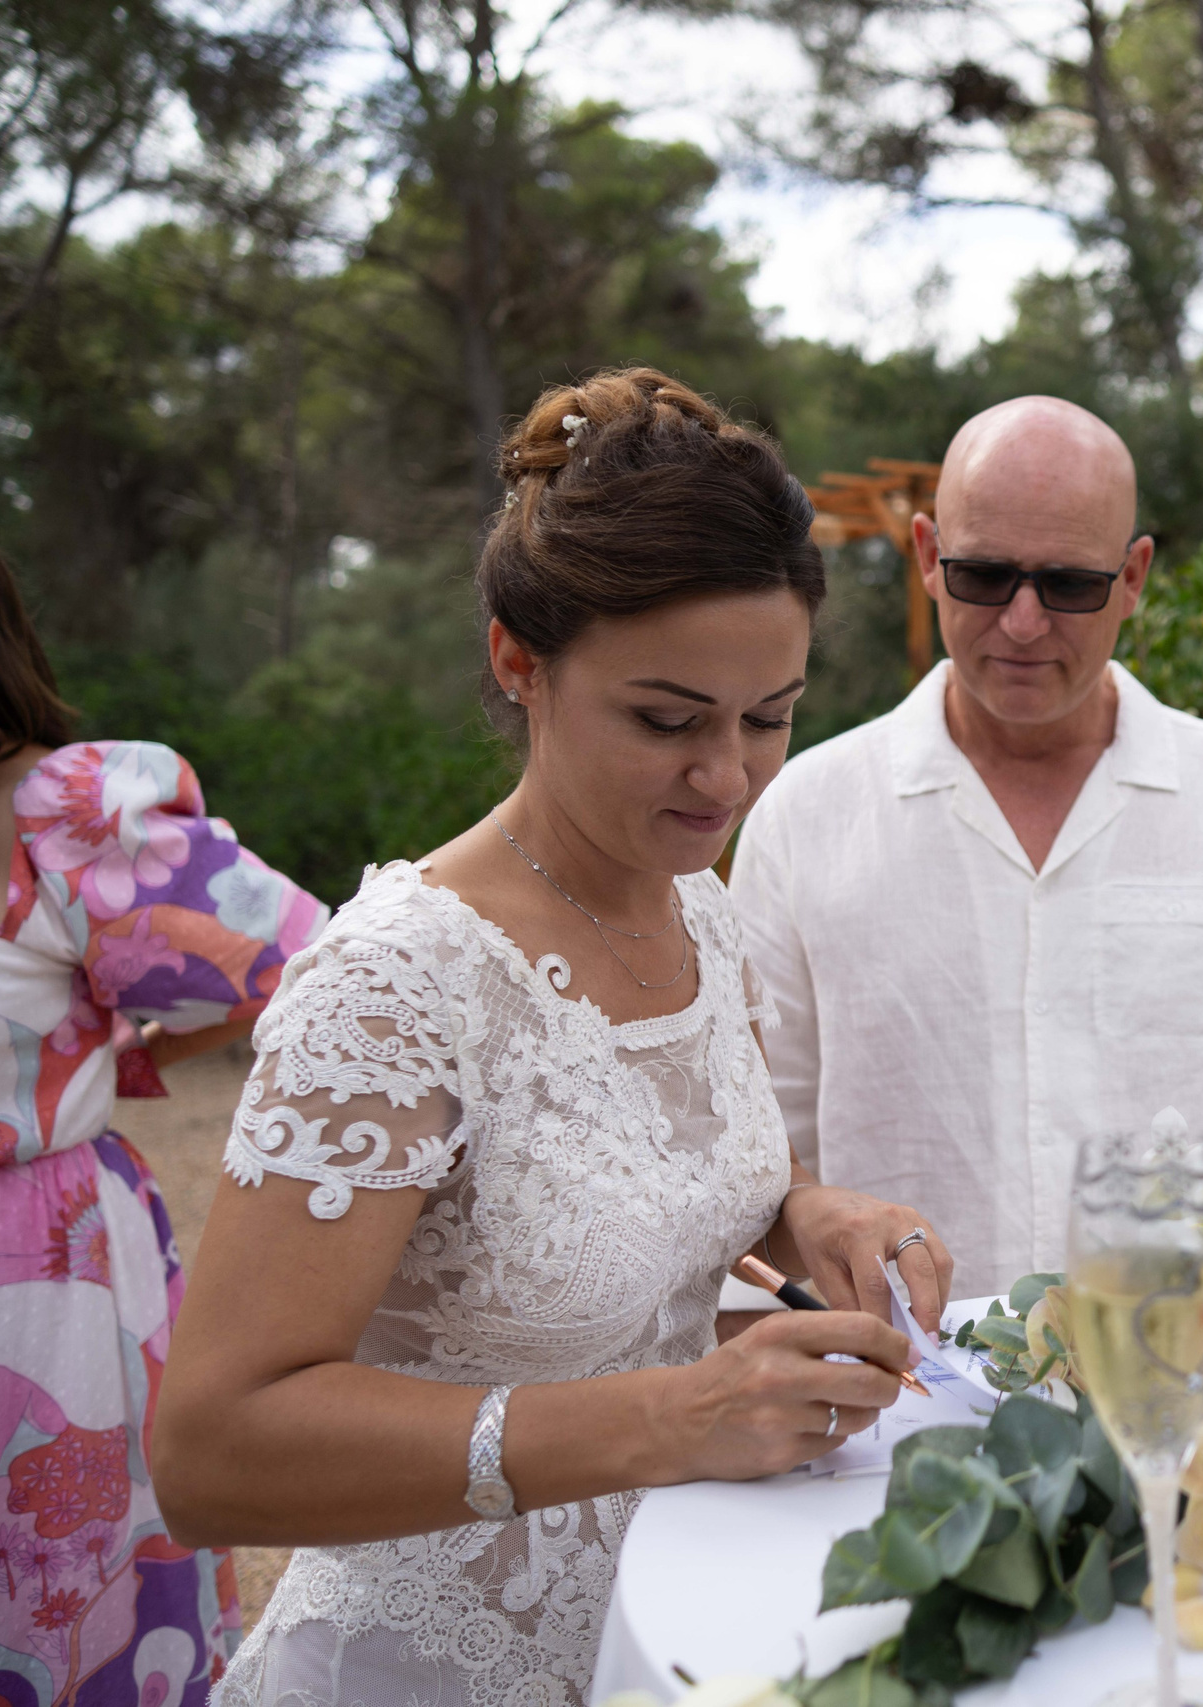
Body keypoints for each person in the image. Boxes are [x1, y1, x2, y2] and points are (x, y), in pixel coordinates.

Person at [151, 369, 955, 1707]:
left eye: (770, 716)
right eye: (666, 720)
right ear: (518, 661)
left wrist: (804, 1210)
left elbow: (634, 1167)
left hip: (669, 1641)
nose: (729, 775)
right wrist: (672, 1416)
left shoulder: (702, 913)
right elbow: (210, 1453)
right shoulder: (397, 984)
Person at [730, 396, 1203, 1298]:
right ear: (928, 557)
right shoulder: (804, 816)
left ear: (1133, 577)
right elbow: (755, 1155)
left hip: (1184, 1367)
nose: (1025, 621)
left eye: (1070, 585)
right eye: (985, 576)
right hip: (900, 1377)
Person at [0, 500, 329, 1702]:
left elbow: (303, 962)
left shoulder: (59, 819)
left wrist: (119, 1054)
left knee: (49, 1613)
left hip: (31, 1295)